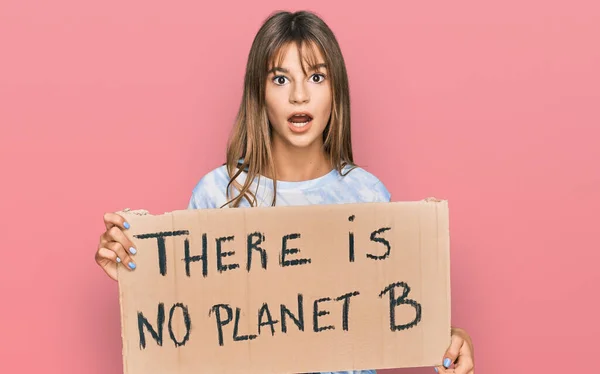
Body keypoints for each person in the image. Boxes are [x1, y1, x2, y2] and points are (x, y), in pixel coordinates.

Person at [95, 10, 475, 374]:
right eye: (280, 79)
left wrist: (447, 339)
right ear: (259, 94)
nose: (298, 96)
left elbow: (394, 312)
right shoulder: (218, 195)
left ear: (335, 90)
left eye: (316, 77)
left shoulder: (368, 196)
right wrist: (139, 278)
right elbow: (190, 331)